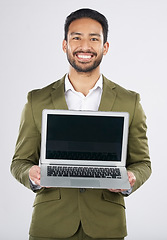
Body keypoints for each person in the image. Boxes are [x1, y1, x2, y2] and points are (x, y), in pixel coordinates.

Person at [11, 8, 151, 240]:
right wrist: (31, 174)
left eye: (94, 39)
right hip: (50, 224)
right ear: (65, 45)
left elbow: (143, 163)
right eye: (76, 37)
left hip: (106, 224)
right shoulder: (37, 99)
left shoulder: (130, 101)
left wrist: (131, 179)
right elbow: (19, 162)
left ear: (105, 47)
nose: (84, 46)